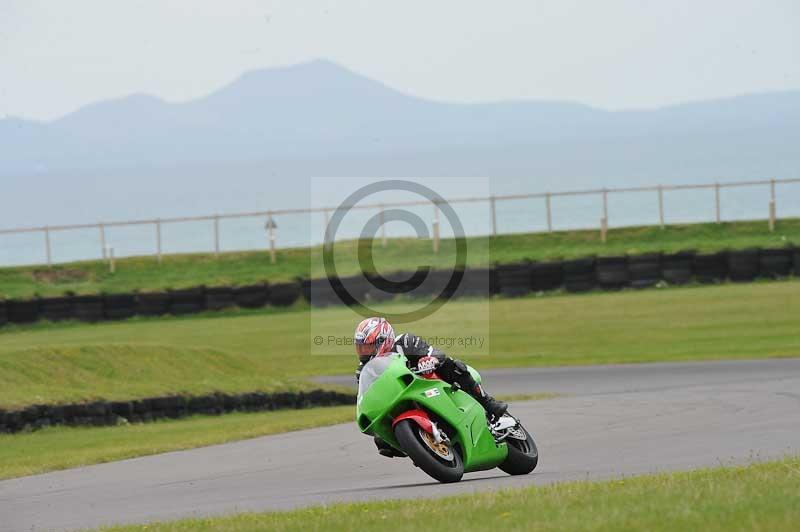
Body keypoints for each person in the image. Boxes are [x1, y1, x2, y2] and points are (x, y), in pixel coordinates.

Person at [354, 316, 508, 458]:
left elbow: (436, 353)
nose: (363, 352)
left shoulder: (405, 342)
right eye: (360, 347)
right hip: (400, 396)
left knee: (453, 366)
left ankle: (487, 402)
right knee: (381, 440)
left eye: (367, 347)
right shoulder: (364, 371)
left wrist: (430, 360)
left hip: (430, 382)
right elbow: (369, 395)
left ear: (384, 341)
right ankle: (419, 446)